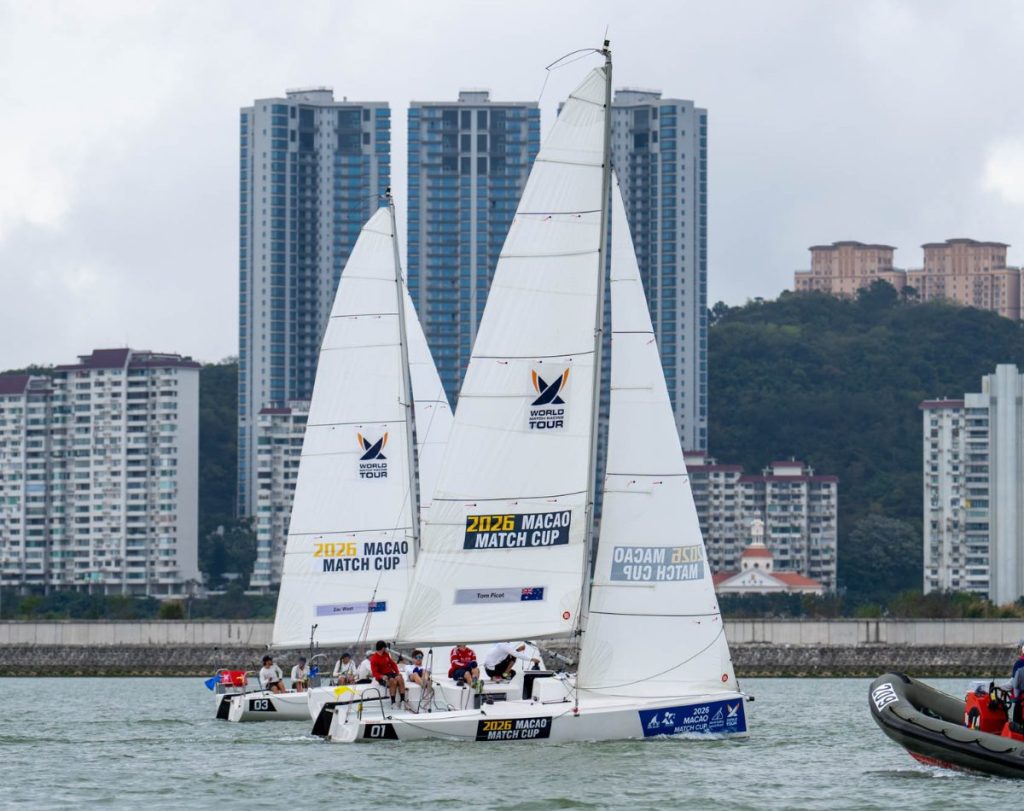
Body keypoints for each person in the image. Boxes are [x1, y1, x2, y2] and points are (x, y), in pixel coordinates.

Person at [369, 640, 406, 707]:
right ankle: (393, 703)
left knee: (400, 678)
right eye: (385, 648)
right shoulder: (374, 659)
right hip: (382, 677)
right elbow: (374, 673)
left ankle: (402, 701)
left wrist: (397, 672)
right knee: (392, 681)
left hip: (390, 673)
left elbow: (393, 664)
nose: (386, 649)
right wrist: (382, 676)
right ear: (383, 648)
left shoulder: (386, 654)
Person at [1011, 641, 1024, 726]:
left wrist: (1000, 687)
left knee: (1016, 723)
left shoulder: (1019, 664)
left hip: (1021, 700)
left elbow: (1013, 683)